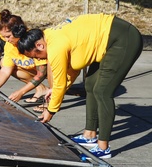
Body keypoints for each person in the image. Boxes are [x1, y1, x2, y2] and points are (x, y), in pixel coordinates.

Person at [18, 14, 142, 159]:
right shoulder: (49, 36)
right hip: (106, 41)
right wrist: (57, 90)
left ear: (39, 45)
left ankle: (103, 148)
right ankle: (89, 135)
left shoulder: (56, 46)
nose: (38, 59)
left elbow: (59, 81)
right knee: (90, 85)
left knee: (102, 91)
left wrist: (50, 110)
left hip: (123, 38)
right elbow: (71, 70)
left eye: (36, 56)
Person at [0, 10, 48, 104]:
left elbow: (42, 73)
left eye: (8, 36)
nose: (6, 40)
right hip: (35, 71)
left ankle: (51, 97)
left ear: (18, 32)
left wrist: (20, 92)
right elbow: (5, 70)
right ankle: (41, 89)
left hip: (52, 70)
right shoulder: (9, 45)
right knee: (4, 62)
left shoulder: (32, 41)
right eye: (4, 37)